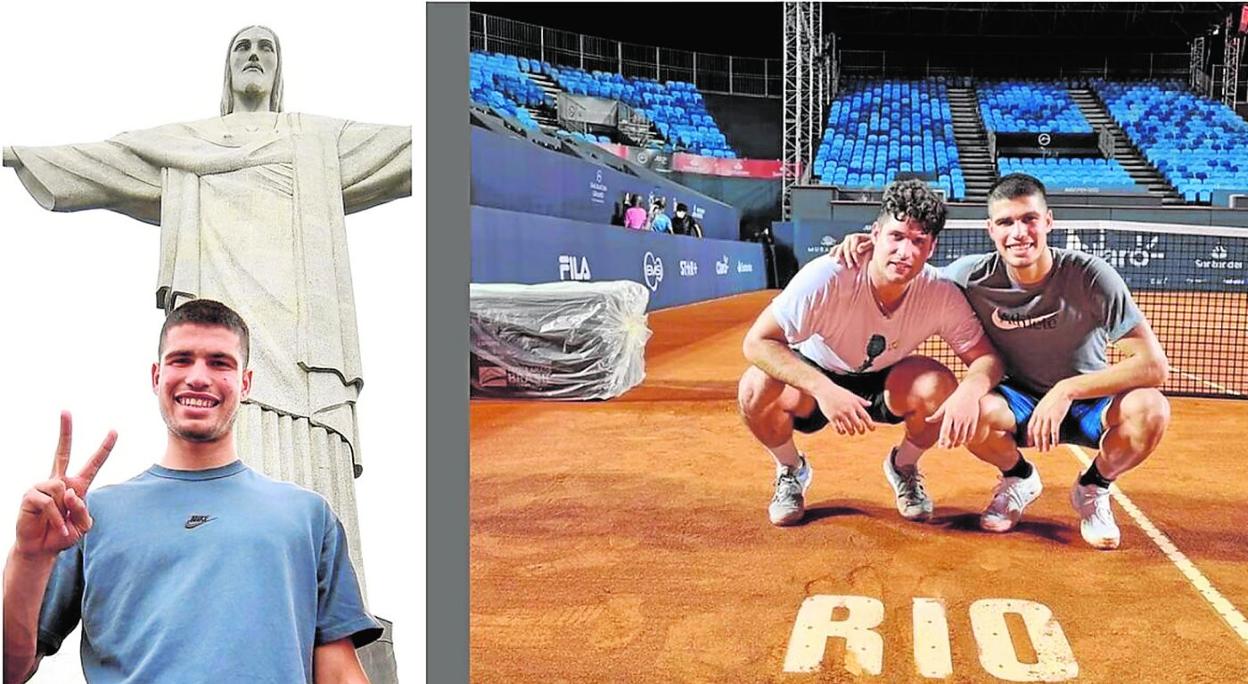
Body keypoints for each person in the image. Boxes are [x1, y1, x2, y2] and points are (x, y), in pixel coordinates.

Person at [2, 26, 412, 583]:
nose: (253, 57)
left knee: (310, 483)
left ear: (278, 70)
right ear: (227, 68)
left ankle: (320, 595)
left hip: (303, 340)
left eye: (266, 48)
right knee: (212, 431)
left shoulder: (316, 140)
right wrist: (12, 154)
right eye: (242, 48)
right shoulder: (187, 144)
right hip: (216, 327)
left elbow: (416, 145)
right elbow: (105, 159)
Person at [3, 300, 379, 684]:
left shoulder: (308, 516)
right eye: (181, 359)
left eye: (220, 362)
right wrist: (28, 557)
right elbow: (12, 668)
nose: (198, 377)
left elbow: (338, 674)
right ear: (156, 376)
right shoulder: (85, 516)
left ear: (245, 383)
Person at [832, 174, 1170, 549]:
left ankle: (1094, 487)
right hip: (1016, 402)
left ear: (1048, 222)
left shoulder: (1091, 275)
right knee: (965, 409)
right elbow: (909, 276)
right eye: (1006, 222)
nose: (1019, 232)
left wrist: (1067, 390)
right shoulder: (970, 276)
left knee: (1152, 408)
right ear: (991, 230)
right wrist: (867, 244)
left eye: (1029, 219)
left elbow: (1153, 366)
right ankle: (1018, 477)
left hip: (1088, 400)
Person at [738, 179, 1005, 526]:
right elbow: (756, 342)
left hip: (886, 380)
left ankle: (904, 467)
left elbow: (988, 359)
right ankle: (791, 470)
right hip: (815, 374)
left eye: (918, 241)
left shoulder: (939, 292)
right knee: (756, 385)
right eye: (896, 236)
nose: (905, 252)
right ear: (875, 234)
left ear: (931, 248)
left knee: (939, 385)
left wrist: (969, 392)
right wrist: (823, 388)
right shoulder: (829, 276)